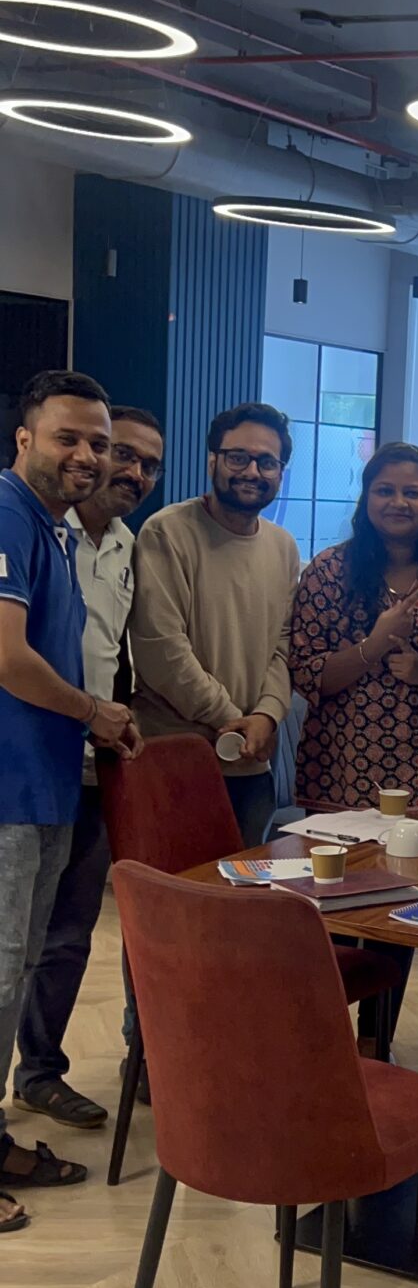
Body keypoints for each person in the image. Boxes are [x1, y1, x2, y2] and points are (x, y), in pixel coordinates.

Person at [0, 370, 142, 1227]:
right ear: (25, 438)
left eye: (99, 442)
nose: (88, 455)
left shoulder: (50, 529)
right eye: (68, 438)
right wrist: (94, 711)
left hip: (44, 785)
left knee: (14, 970)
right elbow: (7, 657)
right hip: (8, 791)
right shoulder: (7, 512)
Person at [12, 408, 163, 1132]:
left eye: (145, 464)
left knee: (68, 934)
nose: (126, 470)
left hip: (89, 766)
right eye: (117, 452)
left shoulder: (129, 544)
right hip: (23, 765)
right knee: (10, 947)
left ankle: (39, 1073)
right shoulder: (37, 525)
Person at [130, 402, 298, 843]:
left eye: (267, 462)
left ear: (280, 472)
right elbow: (161, 650)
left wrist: (266, 716)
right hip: (178, 758)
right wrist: (234, 720)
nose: (252, 471)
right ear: (212, 461)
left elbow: (285, 647)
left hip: (254, 763)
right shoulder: (166, 532)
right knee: (175, 886)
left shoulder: (283, 547)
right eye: (238, 457)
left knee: (248, 882)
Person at [290, 441, 418, 812]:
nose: (398, 502)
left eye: (413, 493)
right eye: (384, 491)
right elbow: (306, 675)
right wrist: (374, 645)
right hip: (339, 771)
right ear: (366, 498)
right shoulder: (328, 570)